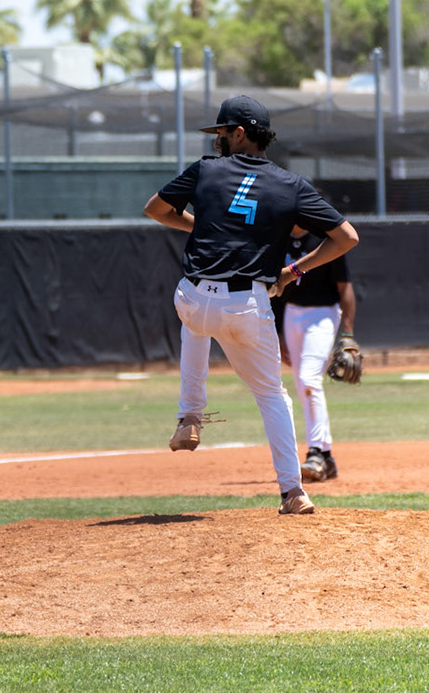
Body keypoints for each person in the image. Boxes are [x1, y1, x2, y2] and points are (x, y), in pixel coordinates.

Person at [143, 94, 359, 516]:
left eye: (222, 132)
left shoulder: (205, 170)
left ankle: (190, 415)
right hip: (246, 303)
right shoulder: (291, 184)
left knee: (194, 321)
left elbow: (156, 210)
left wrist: (200, 227)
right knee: (272, 396)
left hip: (192, 294)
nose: (217, 139)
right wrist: (293, 271)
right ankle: (293, 493)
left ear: (240, 133)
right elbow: (347, 237)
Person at [274, 225, 356, 483]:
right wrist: (277, 333)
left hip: (322, 314)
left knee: (309, 380)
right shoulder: (279, 239)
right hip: (291, 314)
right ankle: (327, 457)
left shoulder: (325, 240)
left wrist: (348, 334)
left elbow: (345, 288)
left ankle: (316, 453)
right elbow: (275, 290)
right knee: (303, 385)